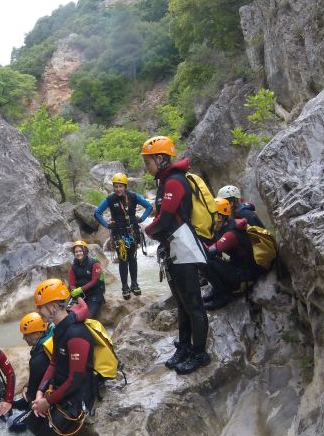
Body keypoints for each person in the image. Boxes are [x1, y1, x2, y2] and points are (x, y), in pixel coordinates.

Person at [141, 135, 211, 375]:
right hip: (174, 248)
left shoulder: (174, 182)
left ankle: (200, 354)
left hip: (185, 249)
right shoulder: (165, 182)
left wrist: (147, 229)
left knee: (193, 302)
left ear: (160, 158)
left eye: (147, 161)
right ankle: (184, 347)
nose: (146, 166)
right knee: (182, 302)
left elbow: (167, 219)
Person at [30, 279, 94, 436]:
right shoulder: (60, 329)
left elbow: (76, 378)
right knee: (33, 422)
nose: (39, 312)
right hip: (62, 390)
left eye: (40, 307)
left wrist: (48, 402)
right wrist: (41, 392)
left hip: (76, 399)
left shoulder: (76, 333)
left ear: (52, 306)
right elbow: (54, 362)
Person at [94, 173, 153, 299]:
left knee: (132, 258)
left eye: (120, 186)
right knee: (123, 260)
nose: (118, 189)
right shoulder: (111, 199)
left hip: (132, 231)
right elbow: (97, 213)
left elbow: (149, 206)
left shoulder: (133, 196)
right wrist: (107, 225)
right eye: (116, 186)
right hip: (118, 233)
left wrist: (141, 218)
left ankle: (135, 284)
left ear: (125, 186)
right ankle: (125, 287)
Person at [202, 198, 267, 310]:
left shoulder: (230, 234)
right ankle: (217, 289)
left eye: (212, 216)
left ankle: (224, 295)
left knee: (206, 261)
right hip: (239, 267)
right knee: (209, 259)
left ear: (220, 217)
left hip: (246, 274)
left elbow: (211, 251)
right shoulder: (224, 226)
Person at [8, 312, 52, 434]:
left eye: (26, 335)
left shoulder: (39, 357)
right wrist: (27, 386)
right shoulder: (50, 339)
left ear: (38, 333)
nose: (24, 338)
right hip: (47, 388)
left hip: (46, 396)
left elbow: (33, 389)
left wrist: (28, 395)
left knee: (14, 425)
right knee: (15, 404)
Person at [66, 240, 105, 318]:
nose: (78, 253)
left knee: (87, 317)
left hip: (94, 295)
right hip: (81, 296)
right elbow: (72, 283)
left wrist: (80, 289)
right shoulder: (73, 267)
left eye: (80, 251)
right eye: (76, 252)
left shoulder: (94, 264)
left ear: (85, 251)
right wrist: (74, 291)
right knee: (70, 316)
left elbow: (95, 281)